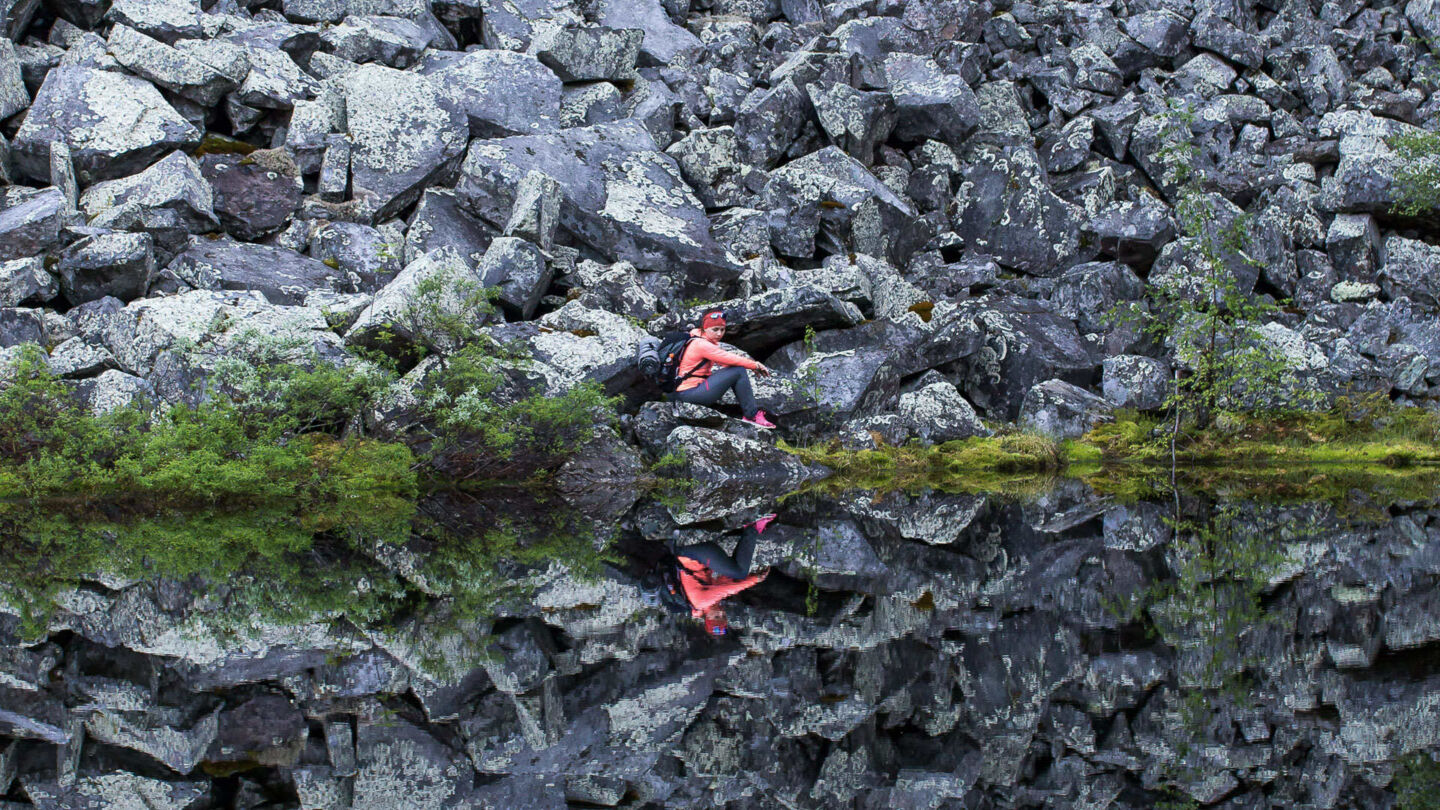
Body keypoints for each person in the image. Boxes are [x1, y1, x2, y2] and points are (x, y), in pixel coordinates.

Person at [647, 513, 777, 636]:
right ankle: (749, 531)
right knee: (737, 573)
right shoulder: (701, 604)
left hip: (691, 554)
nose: (721, 612)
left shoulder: (702, 602)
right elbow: (725, 580)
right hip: (690, 555)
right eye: (723, 616)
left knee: (740, 573)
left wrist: (755, 579)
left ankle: (752, 528)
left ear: (707, 617)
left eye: (716, 616)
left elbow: (726, 589)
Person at [669, 310, 777, 429]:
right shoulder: (701, 344)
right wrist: (754, 365)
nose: (719, 333)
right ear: (704, 329)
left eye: (722, 329)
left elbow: (723, 362)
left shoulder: (698, 339)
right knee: (738, 371)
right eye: (715, 329)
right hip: (689, 394)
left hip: (684, 393)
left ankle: (750, 414)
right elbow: (728, 358)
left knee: (736, 370)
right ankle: (752, 415)